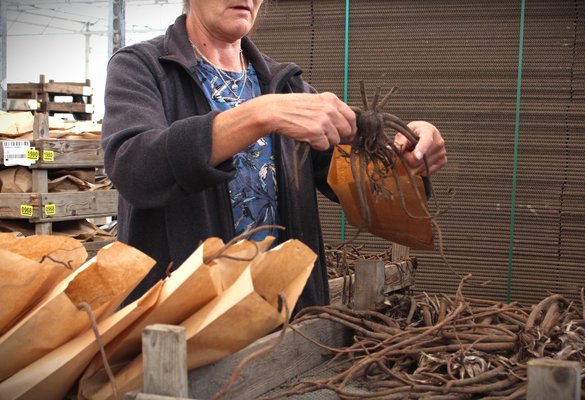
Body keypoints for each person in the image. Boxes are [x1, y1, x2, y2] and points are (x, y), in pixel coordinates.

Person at [102, 0, 447, 310]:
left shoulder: (284, 85)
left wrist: (408, 156)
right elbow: (134, 167)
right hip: (178, 321)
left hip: (284, 320)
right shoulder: (143, 67)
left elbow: (362, 186)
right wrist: (260, 115)